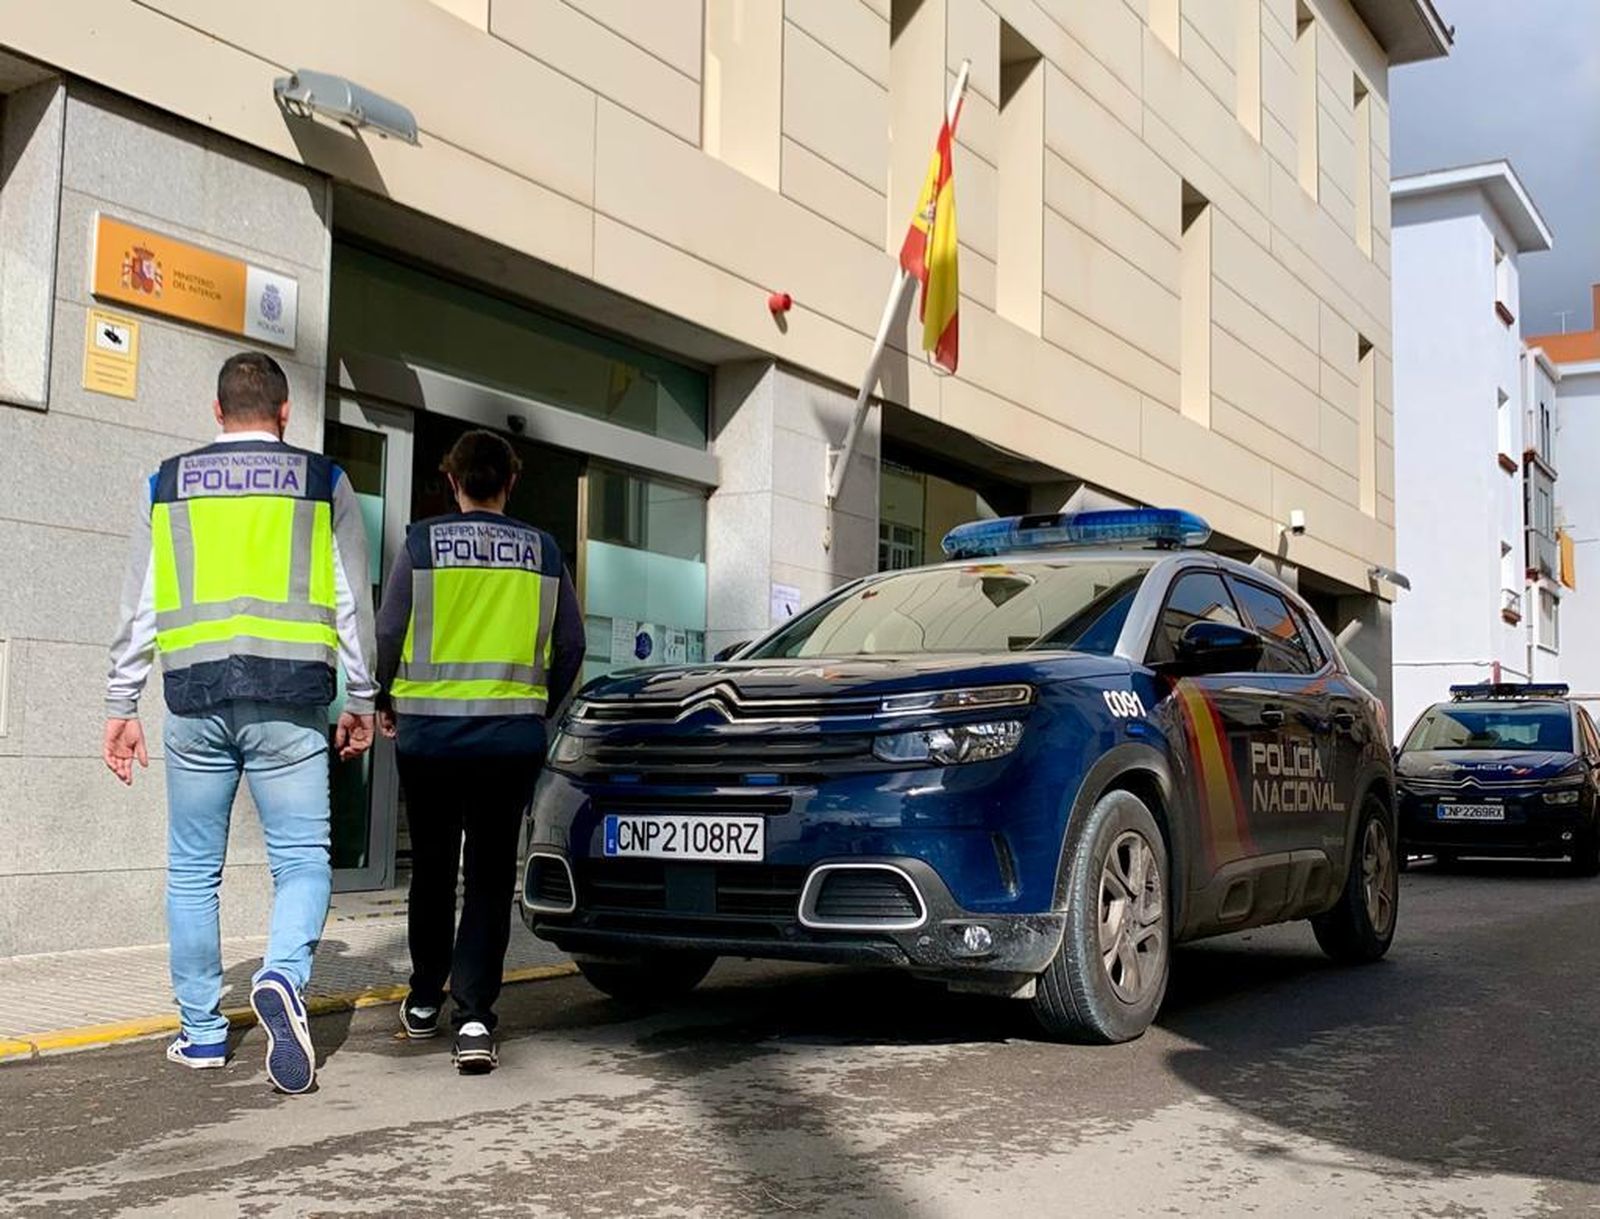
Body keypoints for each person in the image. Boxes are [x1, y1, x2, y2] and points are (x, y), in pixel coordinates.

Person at [103, 351, 377, 1094]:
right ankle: (282, 974)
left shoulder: (166, 483)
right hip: (290, 700)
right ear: (286, 412)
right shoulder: (323, 481)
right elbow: (350, 600)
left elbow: (142, 604)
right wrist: (362, 696)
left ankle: (200, 1033)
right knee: (302, 860)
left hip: (194, 696)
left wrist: (122, 703)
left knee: (193, 870)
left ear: (216, 410)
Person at [376, 429, 584, 1074]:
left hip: (429, 738)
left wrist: (383, 697)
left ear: (452, 480)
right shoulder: (544, 551)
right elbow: (572, 644)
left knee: (433, 867)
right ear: (511, 482)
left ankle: (422, 999)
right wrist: (538, 707)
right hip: (508, 739)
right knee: (490, 877)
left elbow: (389, 630)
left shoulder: (422, 543)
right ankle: (473, 1018)